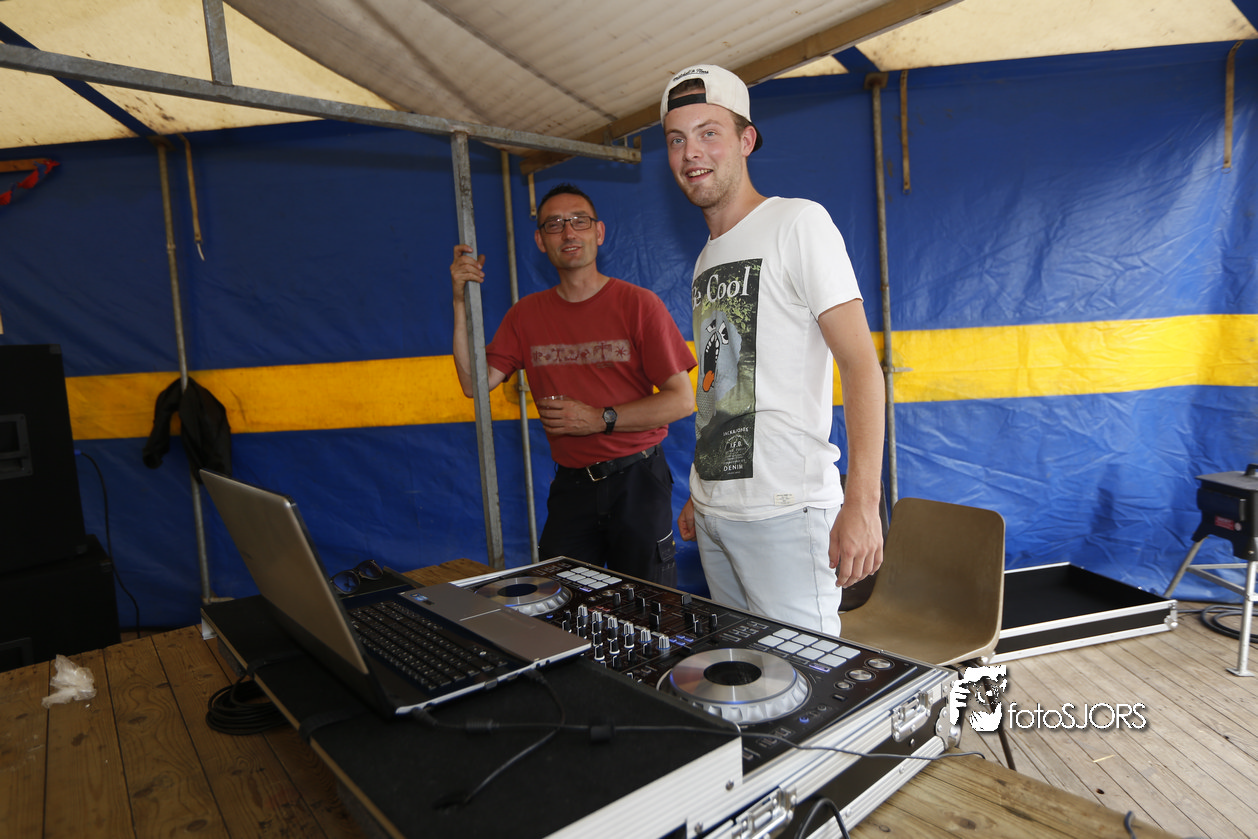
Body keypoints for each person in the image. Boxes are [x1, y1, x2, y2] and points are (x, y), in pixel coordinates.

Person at [660, 64, 886, 635]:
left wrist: (862, 503)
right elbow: (722, 382)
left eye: (709, 132)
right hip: (715, 513)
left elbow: (861, 366)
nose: (692, 152)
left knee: (807, 680)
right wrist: (705, 484)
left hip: (786, 511)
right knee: (746, 674)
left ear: (747, 140)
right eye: (677, 139)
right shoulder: (707, 257)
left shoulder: (798, 222)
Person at [450, 183, 696, 585]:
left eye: (579, 221)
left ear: (598, 232)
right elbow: (473, 385)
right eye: (555, 224)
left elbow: (682, 401)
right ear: (540, 241)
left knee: (646, 604)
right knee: (560, 599)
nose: (568, 232)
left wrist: (599, 418)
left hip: (637, 479)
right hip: (573, 484)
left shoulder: (638, 305)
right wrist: (460, 302)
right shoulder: (525, 316)